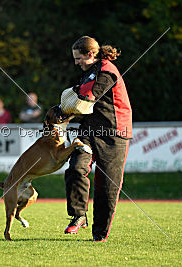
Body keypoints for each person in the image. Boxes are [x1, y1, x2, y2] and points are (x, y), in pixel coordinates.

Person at [63, 36, 133, 242]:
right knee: (76, 168)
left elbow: (89, 97)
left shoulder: (107, 71)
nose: (76, 63)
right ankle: (79, 215)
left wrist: (63, 107)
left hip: (114, 133)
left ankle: (99, 235)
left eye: (78, 58)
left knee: (106, 187)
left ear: (90, 54)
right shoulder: (89, 72)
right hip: (89, 131)